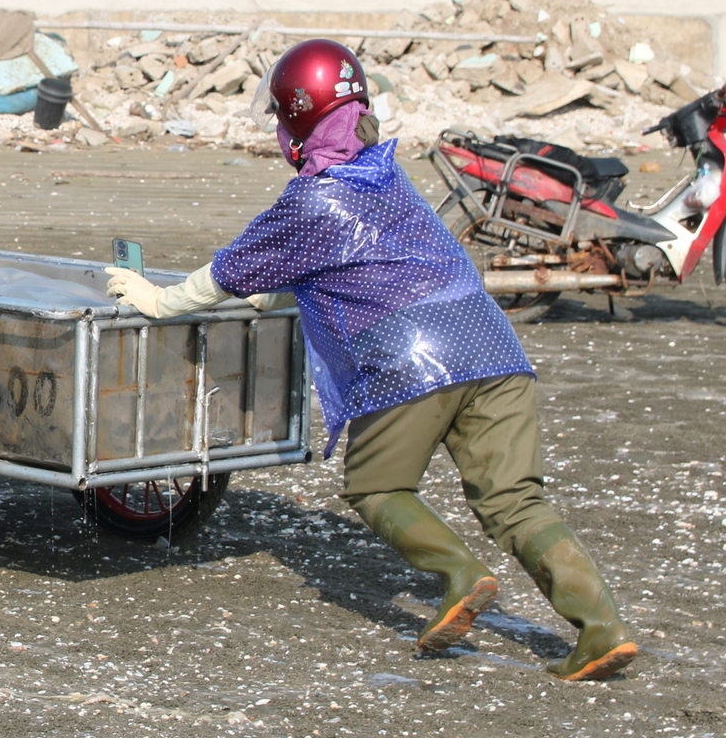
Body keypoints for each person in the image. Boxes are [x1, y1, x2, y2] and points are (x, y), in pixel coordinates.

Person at [103, 39, 637, 682]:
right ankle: (601, 629)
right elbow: (328, 266)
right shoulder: (390, 177)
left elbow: (228, 274)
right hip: (494, 348)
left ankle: (461, 576)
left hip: (413, 362)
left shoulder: (312, 200)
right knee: (515, 500)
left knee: (376, 485)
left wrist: (156, 302)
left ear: (299, 117)